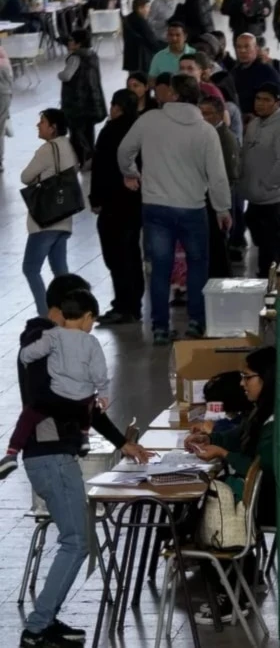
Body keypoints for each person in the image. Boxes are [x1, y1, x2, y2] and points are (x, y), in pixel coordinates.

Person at [14, 274, 150, 647]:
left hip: (58, 453)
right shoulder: (42, 344)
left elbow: (84, 402)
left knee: (76, 540)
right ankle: (36, 628)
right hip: (50, 454)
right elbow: (51, 400)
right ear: (59, 312)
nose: (87, 327)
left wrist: (123, 442)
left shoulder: (60, 345)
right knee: (76, 541)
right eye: (84, 318)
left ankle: (46, 620)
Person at [117, 75, 231, 344]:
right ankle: (195, 322)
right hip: (192, 208)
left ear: (175, 95)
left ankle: (159, 327)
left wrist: (131, 172)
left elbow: (124, 151)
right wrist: (223, 209)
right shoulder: (206, 131)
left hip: (156, 207)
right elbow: (217, 177)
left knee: (160, 269)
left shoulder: (149, 121)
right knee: (197, 266)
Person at [185, 345, 277, 625]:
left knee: (199, 515)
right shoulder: (260, 412)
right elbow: (238, 438)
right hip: (258, 500)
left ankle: (228, 594)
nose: (241, 383)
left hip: (267, 503)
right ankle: (239, 583)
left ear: (267, 378)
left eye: (247, 377)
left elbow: (265, 466)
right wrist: (211, 441)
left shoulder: (276, 419)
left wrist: (223, 454)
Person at [3, 289, 109, 471]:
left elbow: (30, 353)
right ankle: (84, 436)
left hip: (56, 397)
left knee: (29, 416)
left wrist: (24, 358)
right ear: (87, 316)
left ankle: (11, 453)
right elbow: (99, 372)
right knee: (89, 403)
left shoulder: (52, 335)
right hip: (80, 401)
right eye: (93, 320)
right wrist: (104, 393)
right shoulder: (91, 342)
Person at [90, 90, 144, 324]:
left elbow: (100, 167)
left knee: (116, 256)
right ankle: (134, 304)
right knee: (132, 253)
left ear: (117, 107)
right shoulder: (141, 130)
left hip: (113, 205)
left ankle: (123, 304)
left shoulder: (110, 131)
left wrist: (95, 198)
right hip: (136, 202)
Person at [20, 110, 78, 316]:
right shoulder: (67, 145)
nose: (38, 125)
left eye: (42, 122)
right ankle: (72, 311)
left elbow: (25, 177)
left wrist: (38, 180)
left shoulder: (47, 149)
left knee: (30, 268)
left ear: (53, 128)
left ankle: (45, 314)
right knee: (60, 271)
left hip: (45, 220)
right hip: (64, 218)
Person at [241, 83, 280, 278]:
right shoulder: (254, 124)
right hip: (255, 198)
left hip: (273, 198)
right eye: (258, 99)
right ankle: (266, 278)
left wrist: (268, 185)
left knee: (274, 246)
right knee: (261, 241)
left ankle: (277, 283)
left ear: (277, 103)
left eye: (266, 100)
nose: (261, 104)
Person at [198, 96, 239, 278]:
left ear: (219, 115)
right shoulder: (206, 134)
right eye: (200, 113)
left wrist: (221, 204)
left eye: (207, 113)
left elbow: (229, 174)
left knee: (218, 247)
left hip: (216, 200)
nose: (203, 117)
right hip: (206, 197)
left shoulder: (224, 137)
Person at [57, 30, 105, 165]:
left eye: (72, 40)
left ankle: (80, 160)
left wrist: (59, 74)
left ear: (79, 43)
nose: (69, 43)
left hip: (76, 102)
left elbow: (67, 76)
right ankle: (90, 157)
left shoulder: (75, 58)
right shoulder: (93, 55)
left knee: (77, 133)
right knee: (89, 131)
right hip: (91, 100)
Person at [231, 33, 280, 123]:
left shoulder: (266, 72)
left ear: (256, 49)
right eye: (239, 47)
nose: (242, 50)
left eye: (247, 47)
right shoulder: (235, 72)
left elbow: (277, 103)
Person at [121, 0, 163, 75]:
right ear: (140, 8)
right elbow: (150, 40)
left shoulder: (128, 19)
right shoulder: (140, 22)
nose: (149, 10)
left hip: (131, 57)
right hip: (141, 59)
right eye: (147, 7)